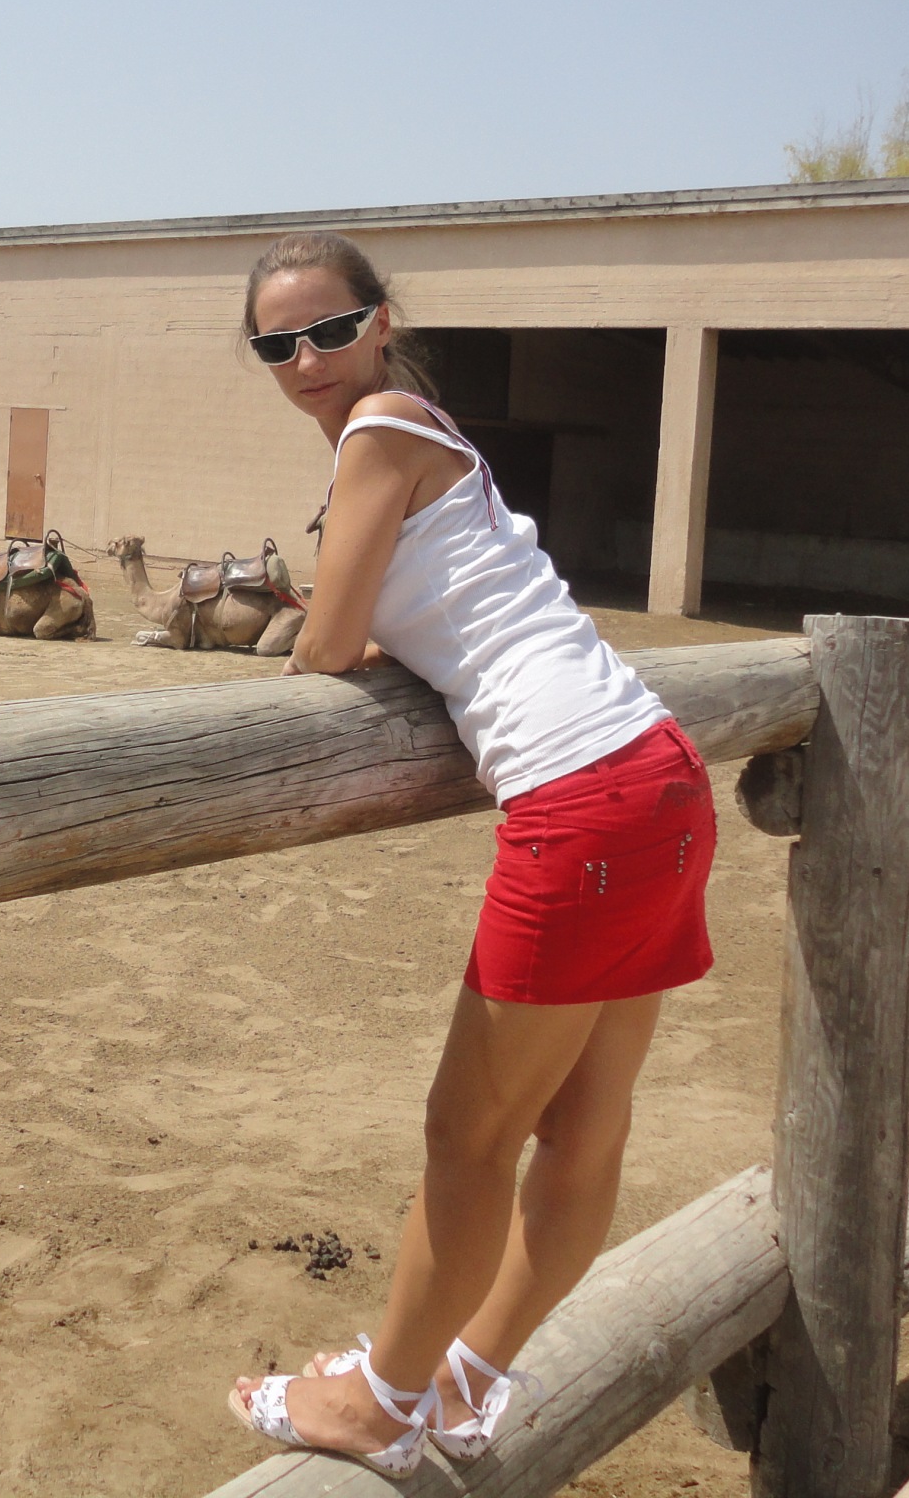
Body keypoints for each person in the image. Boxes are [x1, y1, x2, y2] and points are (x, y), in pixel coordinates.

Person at [227, 232, 716, 1476]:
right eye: (277, 342)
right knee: (582, 1127)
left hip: (578, 799)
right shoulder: (429, 434)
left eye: (328, 329)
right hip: (654, 773)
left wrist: (339, 635)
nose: (306, 359)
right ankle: (464, 1377)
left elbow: (323, 644)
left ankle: (379, 1403)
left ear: (380, 323)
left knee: (467, 1136)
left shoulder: (378, 428)